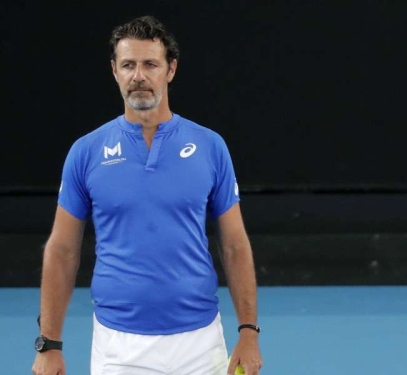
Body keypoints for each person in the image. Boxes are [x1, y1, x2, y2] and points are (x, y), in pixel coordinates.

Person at [31, 15, 262, 375]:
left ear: (170, 70)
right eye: (128, 65)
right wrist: (49, 344)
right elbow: (62, 250)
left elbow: (234, 244)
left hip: (202, 343)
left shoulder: (210, 146)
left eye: (150, 64)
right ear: (114, 71)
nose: (139, 75)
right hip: (119, 347)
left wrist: (249, 332)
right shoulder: (86, 151)